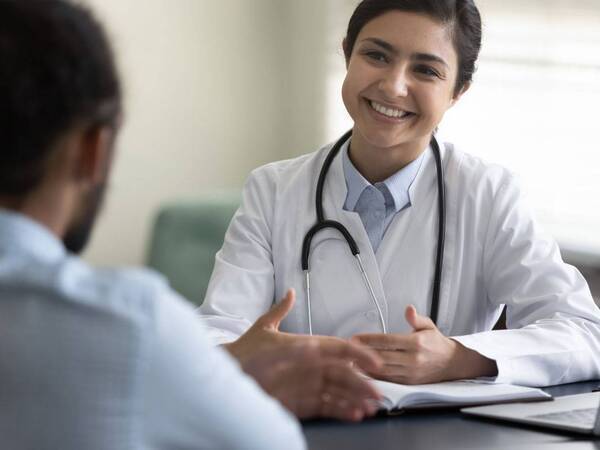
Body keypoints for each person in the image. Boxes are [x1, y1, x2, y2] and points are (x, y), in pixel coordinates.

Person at [0, 1, 383, 448]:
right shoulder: (128, 324)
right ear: (94, 150)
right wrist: (230, 377)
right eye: (376, 55)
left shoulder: (480, 188)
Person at [200, 0, 600, 387]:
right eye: (376, 56)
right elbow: (215, 336)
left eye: (426, 70)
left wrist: (459, 357)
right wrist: (253, 354)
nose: (393, 86)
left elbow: (585, 334)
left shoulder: (487, 195)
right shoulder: (273, 191)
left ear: (458, 90)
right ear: (347, 55)